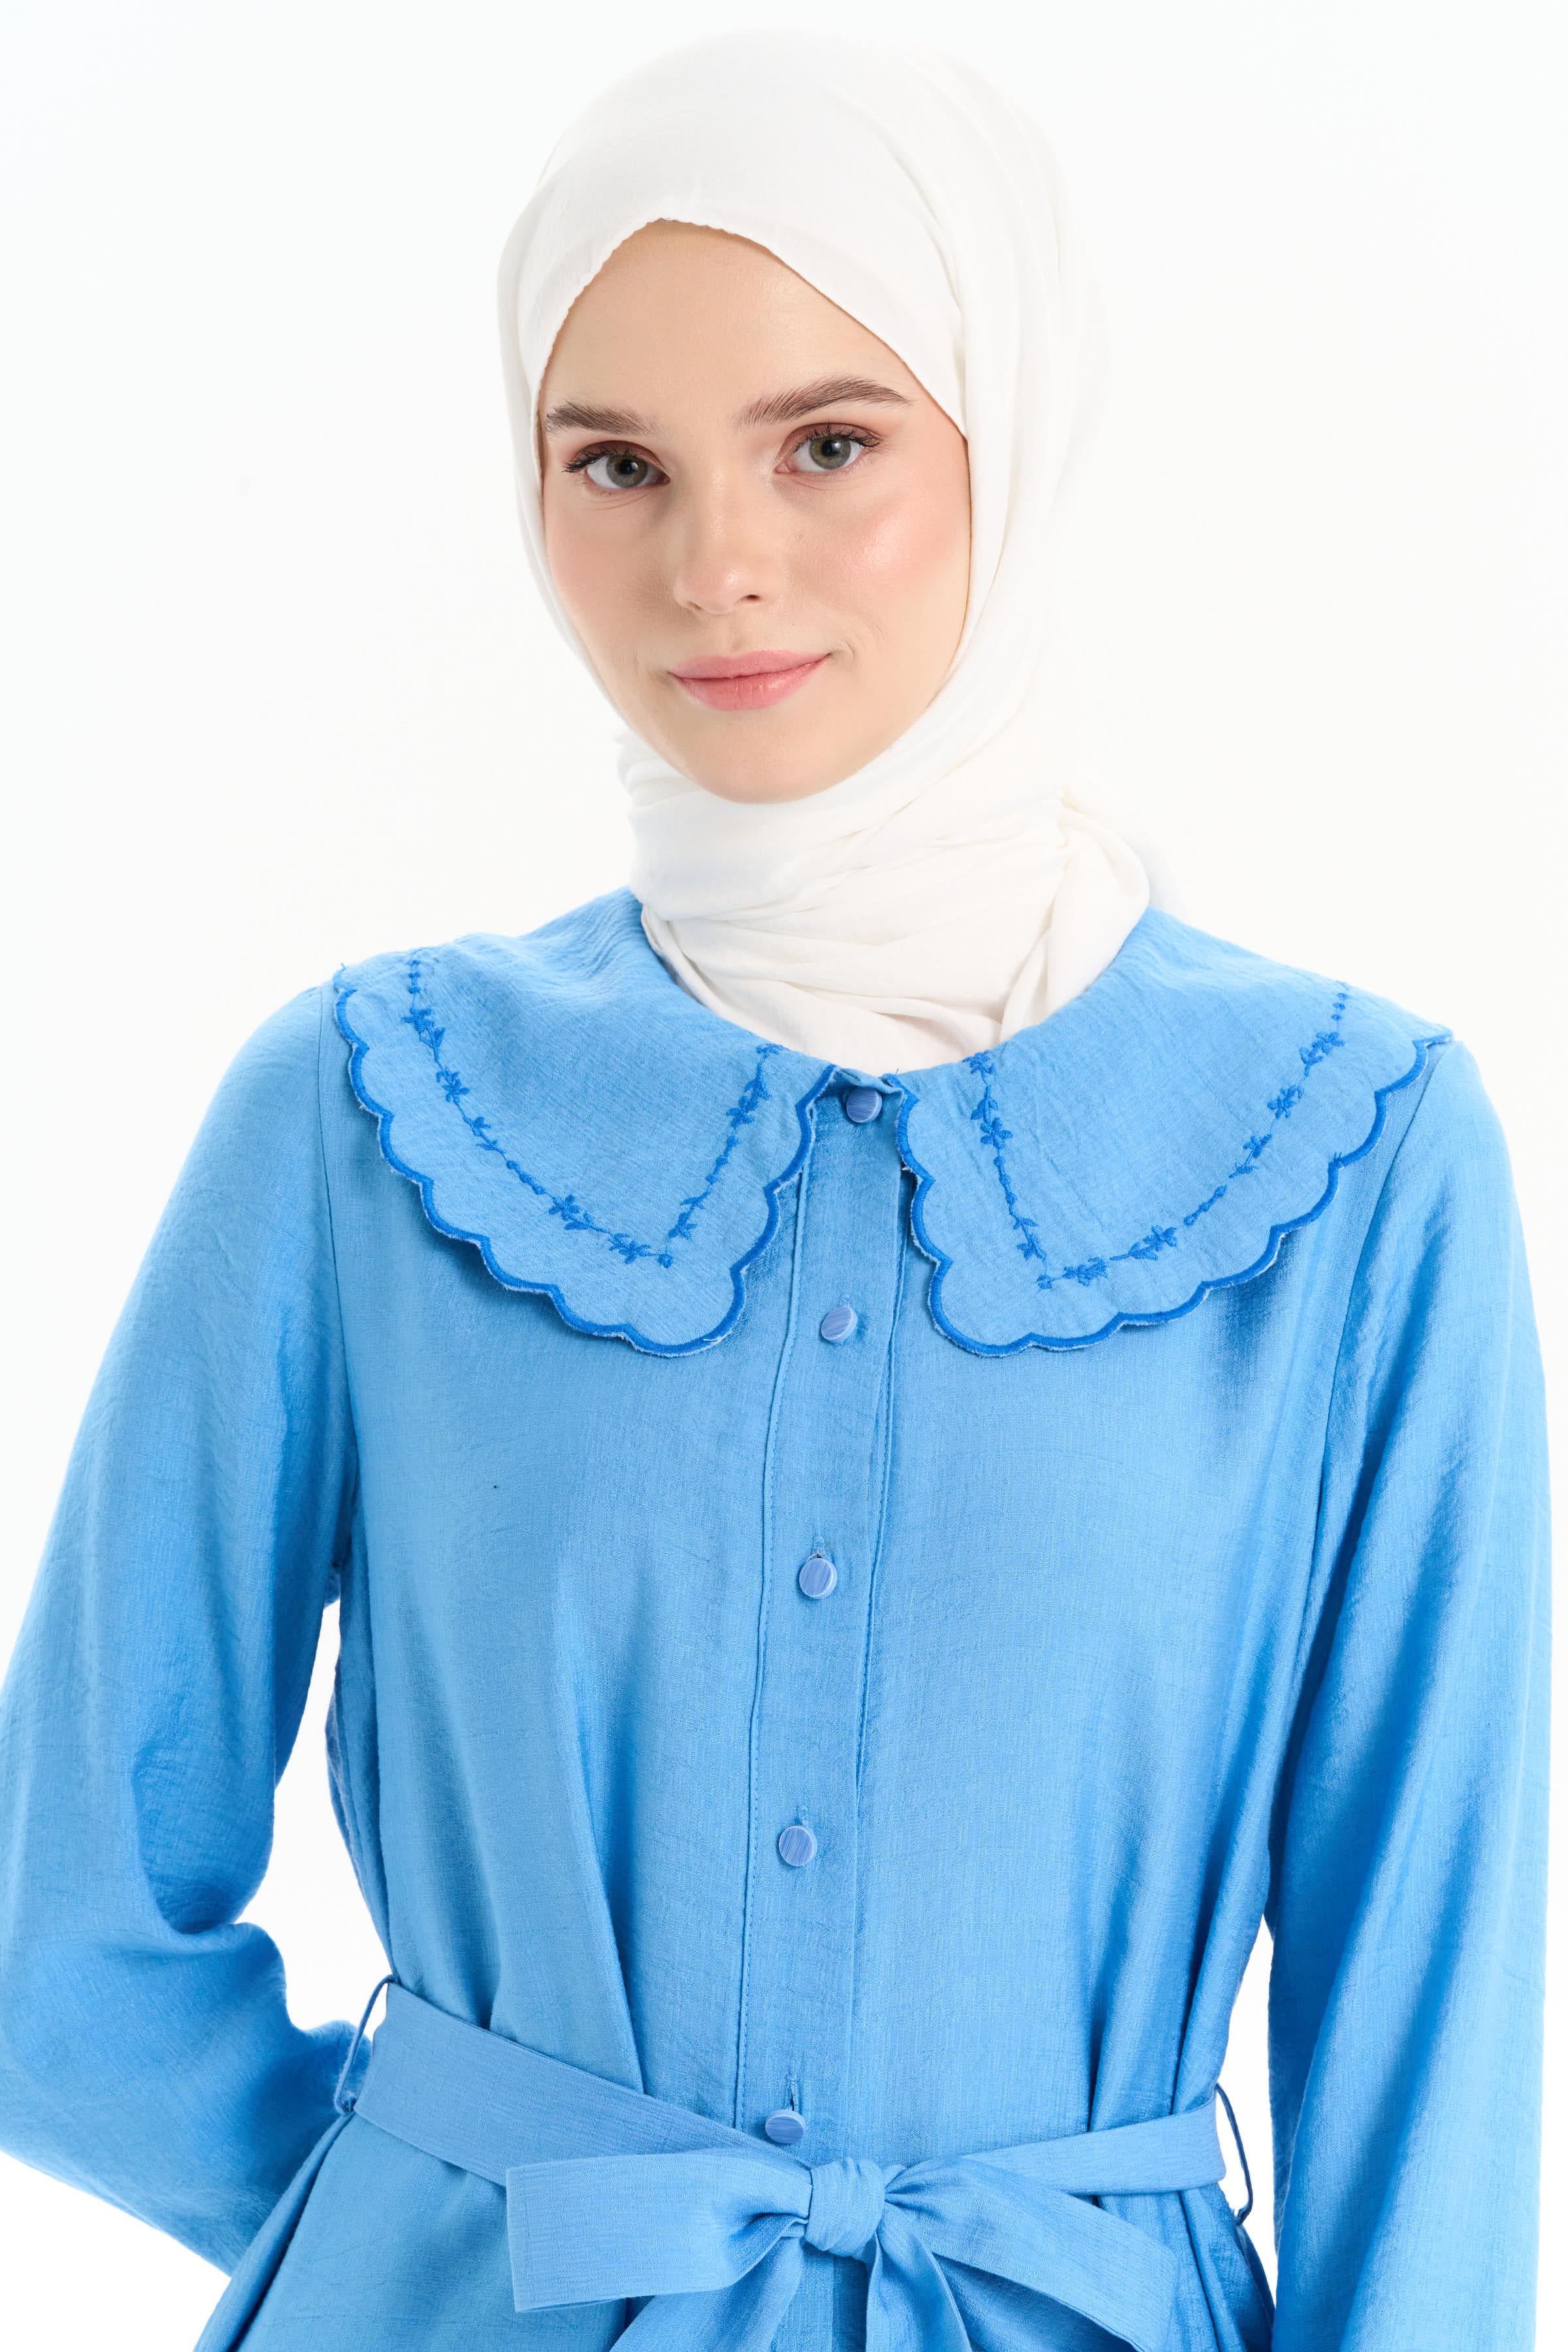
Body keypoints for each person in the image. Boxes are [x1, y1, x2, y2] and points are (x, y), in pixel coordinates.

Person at [0, 31, 1548, 2352]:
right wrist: (454, 2220)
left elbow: (1437, 2045)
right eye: (614, 463)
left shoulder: (1353, 1163)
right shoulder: (360, 1116)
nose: (715, 566)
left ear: (1007, 428)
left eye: (829, 444)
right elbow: (60, 1952)